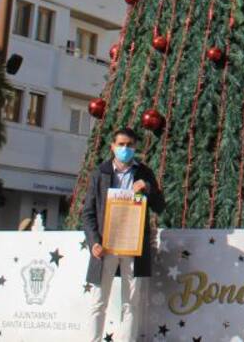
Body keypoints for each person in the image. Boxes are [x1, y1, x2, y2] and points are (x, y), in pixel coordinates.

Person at [81, 127, 165, 342]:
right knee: (98, 301)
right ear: (112, 146)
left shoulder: (144, 173)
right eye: (121, 144)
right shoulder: (100, 173)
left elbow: (160, 206)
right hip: (105, 245)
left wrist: (147, 188)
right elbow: (88, 213)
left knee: (131, 303)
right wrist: (93, 243)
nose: (125, 149)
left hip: (133, 246)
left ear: (135, 147)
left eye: (129, 145)